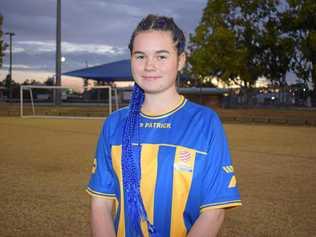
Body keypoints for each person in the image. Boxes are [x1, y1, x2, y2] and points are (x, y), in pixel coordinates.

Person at [87, 14, 241, 237]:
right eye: (140, 56)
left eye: (161, 56)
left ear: (180, 60)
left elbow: (213, 213)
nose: (149, 66)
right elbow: (100, 205)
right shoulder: (114, 124)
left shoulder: (205, 123)